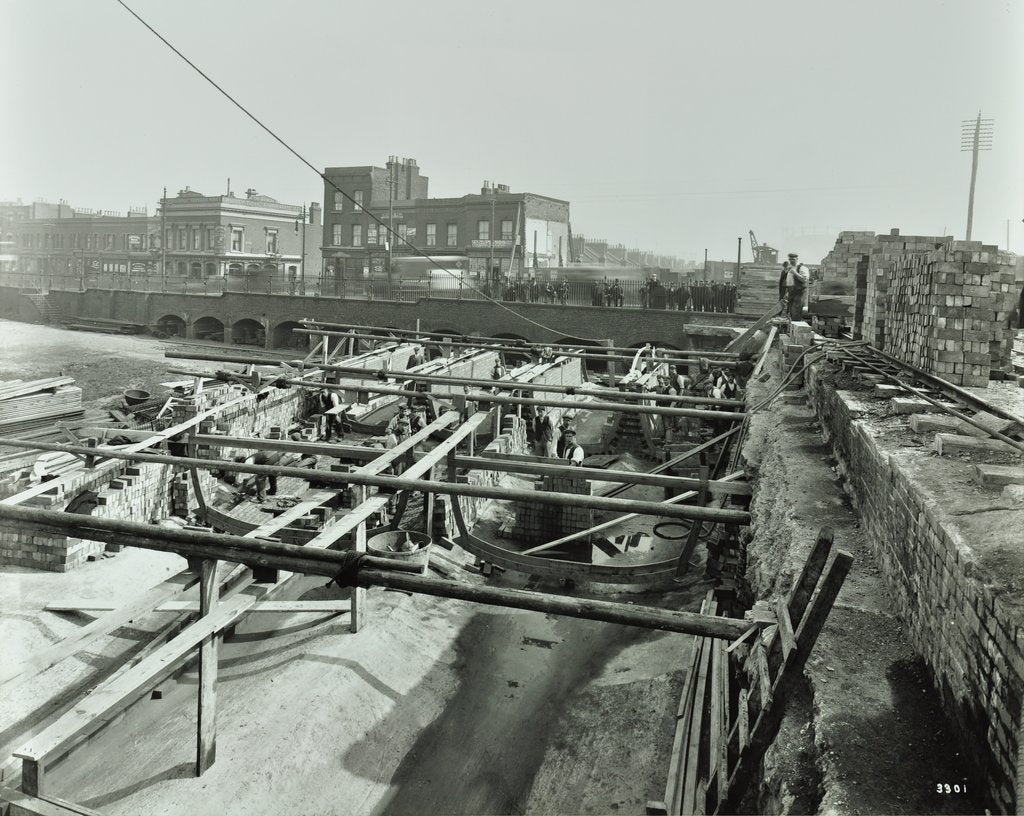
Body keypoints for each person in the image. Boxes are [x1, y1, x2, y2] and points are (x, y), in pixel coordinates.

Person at [783, 252, 809, 321]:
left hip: (799, 292)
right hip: (791, 292)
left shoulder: (802, 268)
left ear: (797, 259)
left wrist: (795, 272)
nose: (791, 261)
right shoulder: (789, 268)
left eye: (793, 259)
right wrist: (786, 293)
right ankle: (791, 329)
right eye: (790, 259)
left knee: (796, 312)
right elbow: (788, 282)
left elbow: (804, 279)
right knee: (790, 311)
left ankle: (796, 328)